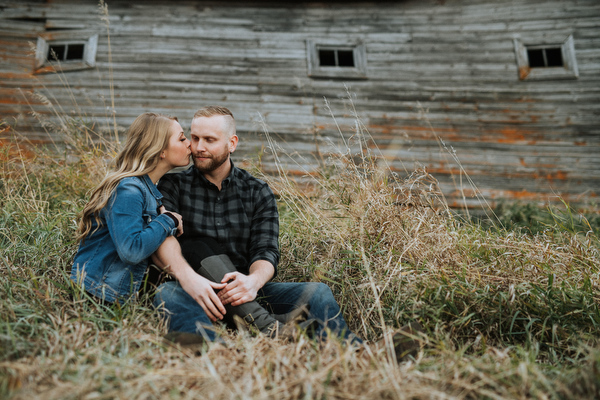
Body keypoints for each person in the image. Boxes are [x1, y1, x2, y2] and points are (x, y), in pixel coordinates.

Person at [152, 105, 360, 344]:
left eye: (209, 140)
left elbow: (266, 250)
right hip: (196, 292)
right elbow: (163, 240)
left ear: (232, 143)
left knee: (318, 292)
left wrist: (252, 283)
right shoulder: (173, 185)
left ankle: (353, 350)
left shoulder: (257, 191)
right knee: (167, 294)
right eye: (195, 137)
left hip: (247, 293)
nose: (199, 147)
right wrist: (190, 280)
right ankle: (213, 354)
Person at [70, 112, 208, 305]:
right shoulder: (129, 190)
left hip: (115, 296)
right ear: (161, 150)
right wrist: (169, 220)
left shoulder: (149, 191)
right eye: (182, 138)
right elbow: (131, 251)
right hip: (97, 296)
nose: (189, 144)